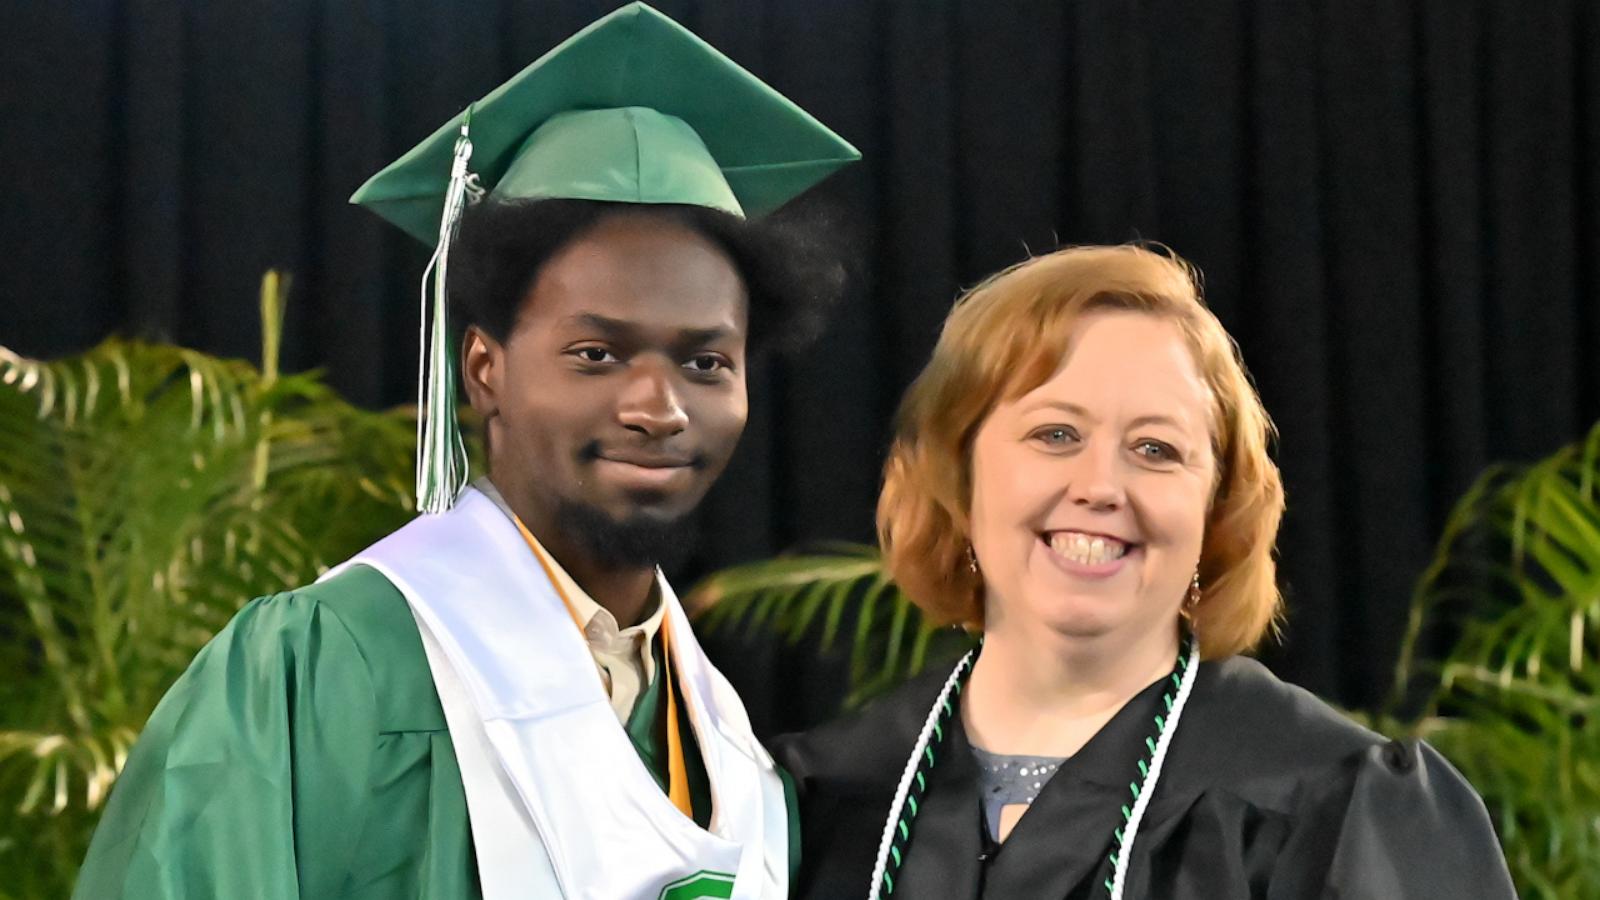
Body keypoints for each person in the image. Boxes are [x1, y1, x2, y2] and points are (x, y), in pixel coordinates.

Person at [73, 4, 858, 899]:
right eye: (596, 354)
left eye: (705, 361)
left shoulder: (731, 748)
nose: (659, 407)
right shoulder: (329, 668)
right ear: (484, 368)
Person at [773, 244, 1516, 899]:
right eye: (1055, 434)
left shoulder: (1340, 805)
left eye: (1156, 449)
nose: (1101, 485)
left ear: (1215, 508)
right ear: (957, 478)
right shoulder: (813, 798)